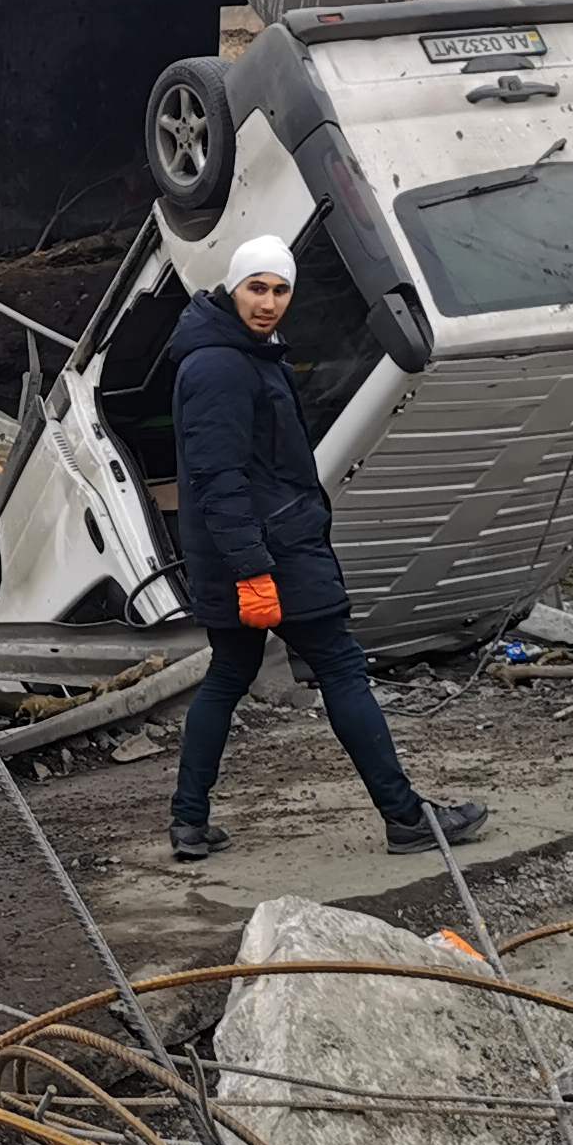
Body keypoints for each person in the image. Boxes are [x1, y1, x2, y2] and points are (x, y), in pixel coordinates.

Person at [166, 236, 490, 863]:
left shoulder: (246, 354)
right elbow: (217, 479)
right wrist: (253, 571)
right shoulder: (220, 367)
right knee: (341, 668)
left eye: (280, 290)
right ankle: (406, 819)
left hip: (255, 547)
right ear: (232, 287)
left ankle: (189, 822)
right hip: (271, 552)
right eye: (256, 288)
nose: (268, 302)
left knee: (229, 674)